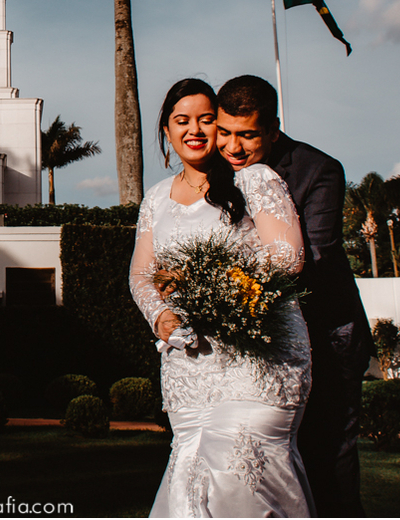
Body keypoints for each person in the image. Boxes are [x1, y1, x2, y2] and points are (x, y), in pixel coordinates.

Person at [130, 78, 313, 517]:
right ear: (167, 131)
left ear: (222, 127)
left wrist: (203, 283)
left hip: (258, 360)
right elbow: (141, 275)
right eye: (181, 120)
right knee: (189, 481)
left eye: (206, 119)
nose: (194, 129)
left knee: (238, 472)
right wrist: (160, 316)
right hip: (189, 370)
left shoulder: (252, 178)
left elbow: (288, 258)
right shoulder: (155, 199)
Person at [216, 74, 371, 518]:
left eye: (247, 135)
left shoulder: (318, 170)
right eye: (224, 132)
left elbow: (315, 256)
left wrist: (237, 295)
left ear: (273, 128)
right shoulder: (216, 169)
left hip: (327, 336)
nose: (233, 147)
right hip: (252, 343)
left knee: (329, 455)